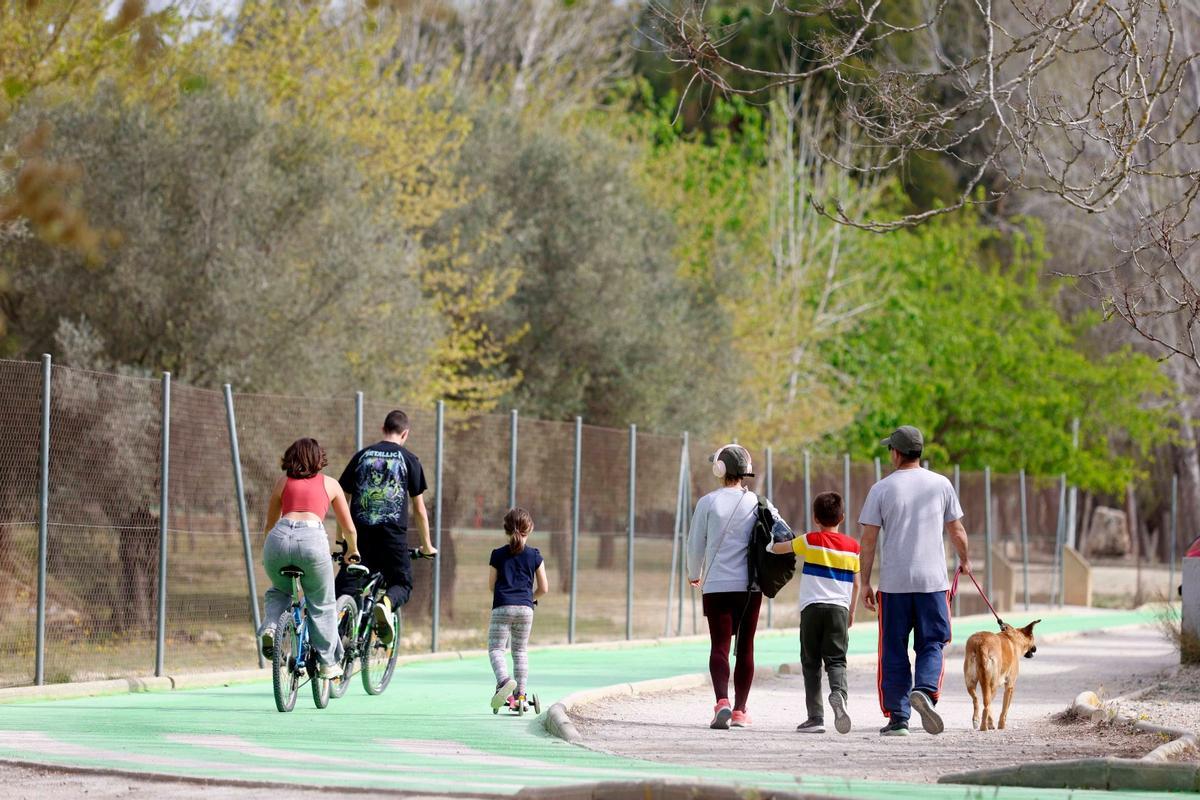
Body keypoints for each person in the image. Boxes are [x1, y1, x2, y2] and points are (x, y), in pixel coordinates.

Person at [859, 425, 971, 737]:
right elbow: (957, 531)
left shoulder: (881, 489)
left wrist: (865, 582)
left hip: (894, 585)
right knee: (933, 641)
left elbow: (867, 541)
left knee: (893, 648)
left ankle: (898, 718)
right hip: (932, 583)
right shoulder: (941, 484)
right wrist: (964, 560)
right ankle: (924, 690)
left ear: (895, 453)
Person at [686, 444, 776, 730]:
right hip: (750, 587)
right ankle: (740, 711)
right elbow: (780, 532)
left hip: (717, 586)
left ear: (720, 469)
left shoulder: (708, 502)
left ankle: (721, 702)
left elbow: (694, 543)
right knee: (746, 646)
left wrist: (693, 573)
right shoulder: (759, 502)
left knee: (720, 646)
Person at [259, 437, 361, 678]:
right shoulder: (331, 484)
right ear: (319, 459)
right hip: (312, 541)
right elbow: (349, 529)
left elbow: (269, 525)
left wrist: (270, 554)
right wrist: (352, 550)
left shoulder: (283, 482)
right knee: (322, 603)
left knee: (279, 590)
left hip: (278, 539)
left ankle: (271, 628)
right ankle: (327, 663)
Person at [337, 410, 437, 646]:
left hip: (359, 535)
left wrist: (342, 539)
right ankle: (386, 604)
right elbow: (420, 511)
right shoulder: (409, 459)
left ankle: (336, 645)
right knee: (402, 584)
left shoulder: (362, 456)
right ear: (405, 434)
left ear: (383, 429)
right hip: (392, 537)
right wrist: (427, 545)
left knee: (346, 588)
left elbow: (342, 498)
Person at [768, 491, 860, 735]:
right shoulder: (853, 547)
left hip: (811, 610)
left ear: (815, 518)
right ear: (842, 516)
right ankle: (839, 694)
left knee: (811, 663)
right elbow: (857, 583)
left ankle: (815, 717)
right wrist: (851, 611)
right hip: (840, 609)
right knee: (837, 660)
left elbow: (780, 549)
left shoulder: (809, 540)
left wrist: (770, 540)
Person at [488, 507, 549, 712]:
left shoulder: (497, 555)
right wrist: (529, 599)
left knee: (497, 649)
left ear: (506, 530)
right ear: (529, 529)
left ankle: (504, 682)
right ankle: (521, 695)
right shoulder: (534, 556)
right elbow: (544, 588)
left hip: (502, 606)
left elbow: (491, 585)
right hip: (525, 608)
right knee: (520, 651)